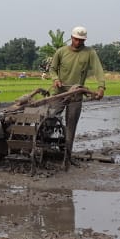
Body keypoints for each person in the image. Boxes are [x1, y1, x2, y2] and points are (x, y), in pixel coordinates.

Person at [50, 25, 106, 168]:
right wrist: (56, 79)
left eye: (81, 40)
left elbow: (98, 70)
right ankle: (44, 150)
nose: (78, 42)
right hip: (59, 93)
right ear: (72, 37)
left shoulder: (90, 53)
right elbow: (52, 68)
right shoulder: (61, 51)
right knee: (49, 120)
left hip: (76, 94)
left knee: (71, 126)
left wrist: (101, 87)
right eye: (76, 39)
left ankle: (67, 157)